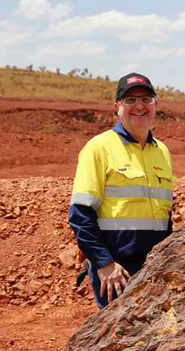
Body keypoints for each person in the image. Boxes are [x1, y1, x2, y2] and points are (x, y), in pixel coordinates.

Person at [68, 72, 173, 308]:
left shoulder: (162, 151)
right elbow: (80, 215)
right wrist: (104, 263)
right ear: (117, 107)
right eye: (130, 100)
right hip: (118, 272)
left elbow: (166, 216)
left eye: (146, 99)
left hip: (156, 268)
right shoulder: (99, 148)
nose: (139, 106)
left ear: (155, 105)